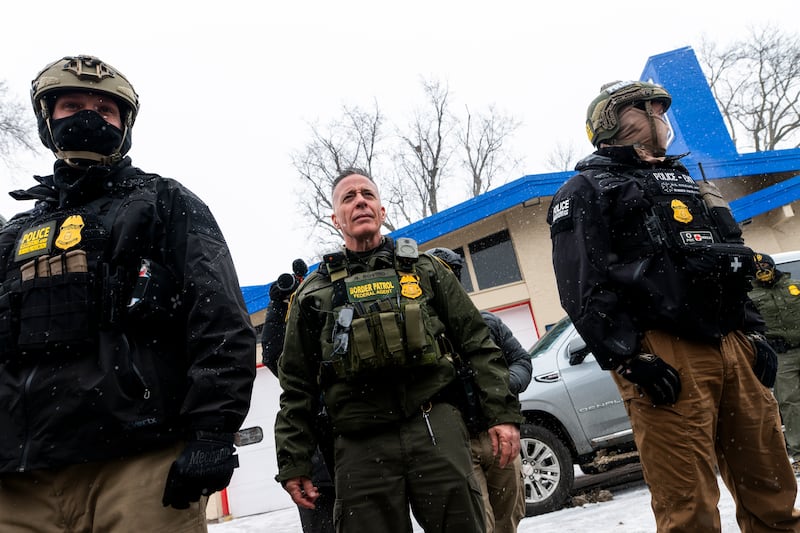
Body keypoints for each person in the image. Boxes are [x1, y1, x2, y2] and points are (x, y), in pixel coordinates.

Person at [0, 55, 256, 532]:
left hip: (140, 466)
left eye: (105, 109)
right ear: (45, 119)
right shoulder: (13, 234)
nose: (88, 117)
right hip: (19, 482)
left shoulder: (164, 201)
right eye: (71, 104)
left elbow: (219, 319)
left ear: (125, 125)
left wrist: (212, 434)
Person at [547, 80, 800, 531]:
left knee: (772, 491)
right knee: (689, 510)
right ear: (612, 123)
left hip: (733, 343)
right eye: (647, 110)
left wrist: (756, 332)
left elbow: (734, 261)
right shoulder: (585, 189)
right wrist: (629, 357)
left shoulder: (688, 182)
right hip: (666, 349)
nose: (660, 119)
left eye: (660, 110)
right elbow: (583, 289)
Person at [274, 168, 523, 533]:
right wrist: (294, 460)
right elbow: (296, 384)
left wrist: (501, 414)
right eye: (348, 198)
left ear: (382, 210)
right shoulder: (314, 292)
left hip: (434, 427)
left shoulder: (427, 271)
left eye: (367, 195)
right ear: (336, 219)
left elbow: (478, 343)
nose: (360, 201)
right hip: (359, 443)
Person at [426, 247, 532, 533]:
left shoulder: (487, 324)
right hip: (458, 443)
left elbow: (522, 362)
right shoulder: (424, 337)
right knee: (476, 522)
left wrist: (501, 386)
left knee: (508, 519)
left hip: (499, 435)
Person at [261, 259, 335, 533]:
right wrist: (279, 305)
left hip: (360, 464)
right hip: (319, 472)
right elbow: (273, 354)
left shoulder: (344, 352)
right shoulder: (299, 372)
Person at [749, 252, 800, 472]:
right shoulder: (749, 297)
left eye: (765, 266)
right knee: (790, 402)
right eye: (757, 268)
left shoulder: (794, 285)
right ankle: (799, 454)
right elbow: (749, 327)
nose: (762, 271)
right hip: (782, 355)